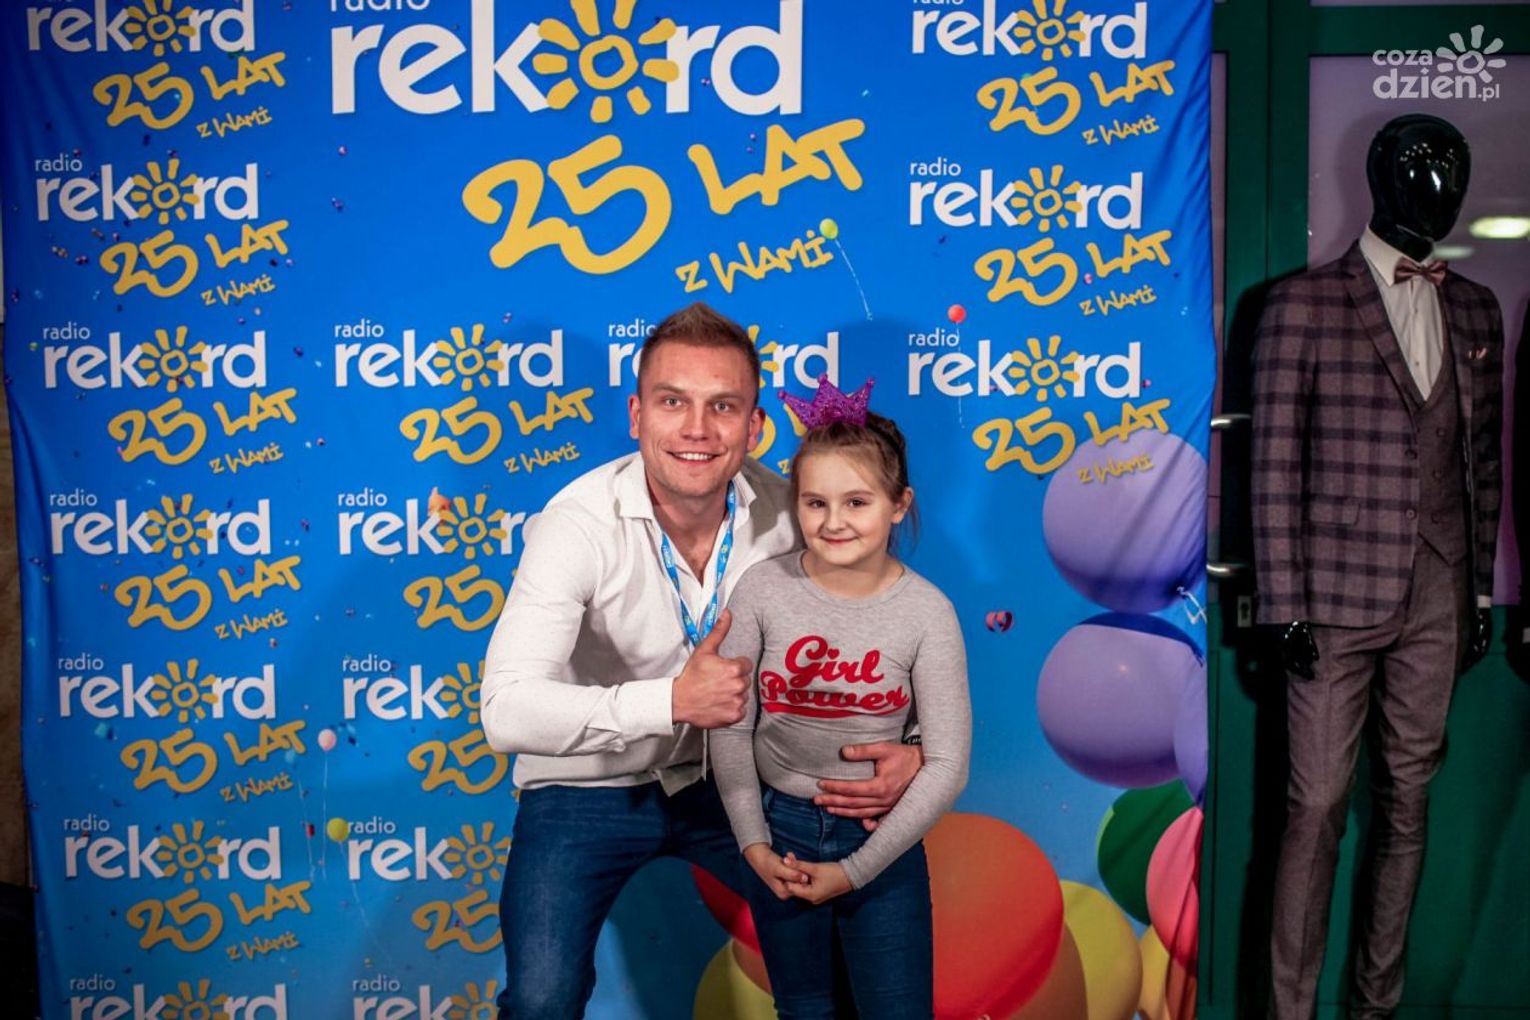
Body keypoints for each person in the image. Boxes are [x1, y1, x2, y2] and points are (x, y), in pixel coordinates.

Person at [479, 303, 925, 1019]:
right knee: (541, 997)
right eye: (672, 402)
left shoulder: (795, 515)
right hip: (587, 782)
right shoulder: (576, 525)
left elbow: (881, 635)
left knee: (836, 964)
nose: (697, 429)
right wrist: (671, 702)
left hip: (741, 778)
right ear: (636, 416)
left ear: (754, 426)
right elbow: (505, 710)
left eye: (722, 406)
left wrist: (914, 745)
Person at [1253, 114, 1502, 1020]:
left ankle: (1375, 1007)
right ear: (1380, 177)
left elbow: (1483, 463)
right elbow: (1272, 463)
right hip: (1331, 595)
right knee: (1316, 805)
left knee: (1408, 803)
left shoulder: (1476, 308)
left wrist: (1477, 590)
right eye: (1424, 169)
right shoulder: (1301, 305)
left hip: (1439, 589)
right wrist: (1281, 600)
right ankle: (1289, 1011)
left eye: (1456, 171)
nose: (1444, 189)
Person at [711, 377, 972, 1019]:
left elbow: (947, 764)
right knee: (804, 1010)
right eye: (815, 503)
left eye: (856, 502)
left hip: (883, 839)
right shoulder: (762, 591)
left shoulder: (928, 613)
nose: (833, 522)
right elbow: (730, 724)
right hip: (781, 834)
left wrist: (856, 870)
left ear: (899, 504)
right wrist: (753, 844)